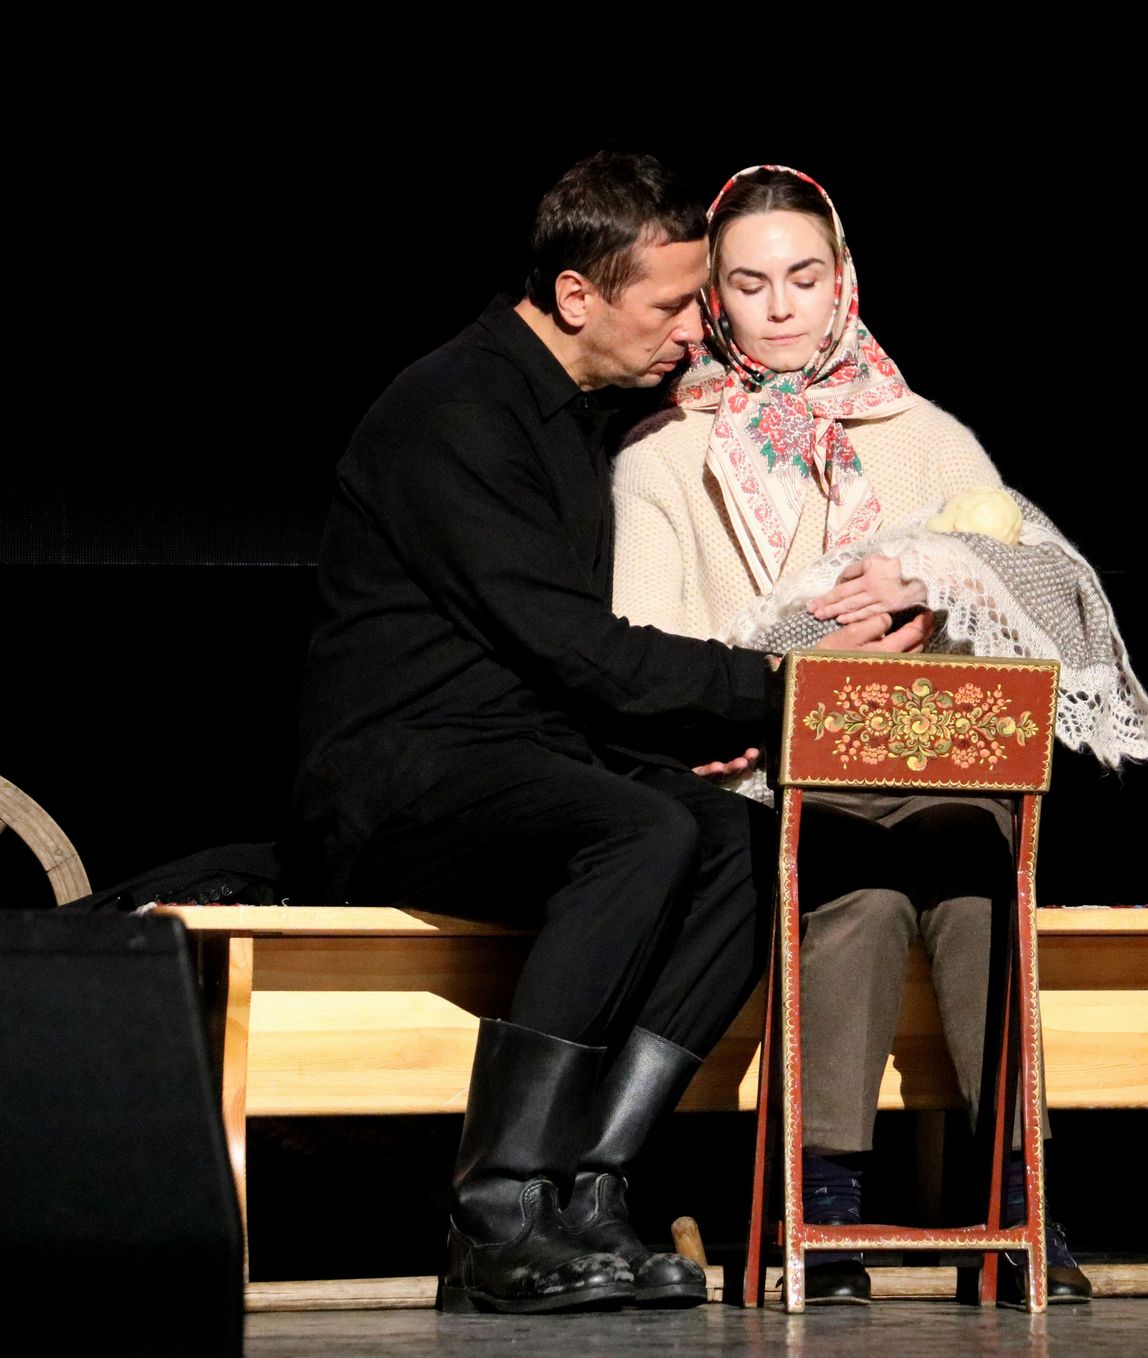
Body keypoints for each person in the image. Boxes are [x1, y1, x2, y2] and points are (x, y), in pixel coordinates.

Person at [289, 151, 926, 1316]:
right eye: (674, 304)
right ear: (577, 295)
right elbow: (577, 648)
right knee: (636, 831)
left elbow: (569, 679)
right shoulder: (453, 410)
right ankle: (496, 1209)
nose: (695, 330)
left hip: (523, 761)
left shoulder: (578, 418)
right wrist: (786, 684)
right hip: (399, 781)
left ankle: (588, 1191)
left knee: (742, 844)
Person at [612, 165, 1147, 1306]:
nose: (780, 307)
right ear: (713, 297)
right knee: (854, 888)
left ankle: (1020, 1201)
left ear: (842, 279)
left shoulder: (927, 437)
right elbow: (648, 652)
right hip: (770, 780)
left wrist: (936, 579)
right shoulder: (664, 454)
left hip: (931, 772)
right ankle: (828, 1207)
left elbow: (1037, 588)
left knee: (976, 871)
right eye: (748, 284)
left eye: (803, 278)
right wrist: (789, 668)